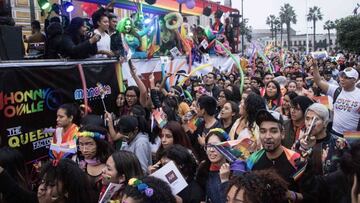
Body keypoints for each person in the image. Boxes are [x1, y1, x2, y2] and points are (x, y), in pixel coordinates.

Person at [247, 109, 302, 202]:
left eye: (273, 131)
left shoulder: (295, 159)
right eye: (263, 131)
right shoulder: (252, 159)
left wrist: (290, 195)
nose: (267, 136)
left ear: (282, 134)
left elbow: (310, 195)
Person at [0, 159, 97, 203]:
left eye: (51, 184)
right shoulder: (38, 199)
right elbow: (13, 190)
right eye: (42, 182)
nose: (41, 188)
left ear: (67, 191)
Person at [294, 103, 348, 175]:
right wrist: (304, 149)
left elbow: (348, 170)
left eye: (315, 119)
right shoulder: (300, 144)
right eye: (307, 119)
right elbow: (296, 172)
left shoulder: (339, 143)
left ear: (325, 123)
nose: (310, 123)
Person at [312, 59, 360, 135]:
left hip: (352, 136)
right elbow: (318, 81)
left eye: (346, 77)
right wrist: (315, 66)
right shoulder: (336, 90)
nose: (342, 79)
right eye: (342, 76)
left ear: (354, 80)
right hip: (335, 132)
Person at [77, 125, 114, 192]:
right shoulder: (78, 163)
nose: (84, 150)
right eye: (81, 144)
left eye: (89, 144)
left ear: (100, 144)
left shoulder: (113, 164)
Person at [196, 129, 229, 203]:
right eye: (209, 145)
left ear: (226, 147)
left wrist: (225, 180)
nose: (211, 150)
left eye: (216, 145)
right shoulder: (203, 168)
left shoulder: (236, 169)